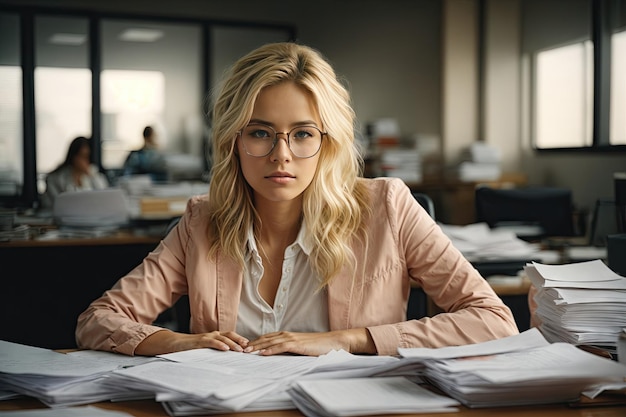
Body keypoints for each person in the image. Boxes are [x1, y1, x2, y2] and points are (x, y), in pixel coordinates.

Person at [76, 42, 518, 357]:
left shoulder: (388, 207)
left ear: (328, 142)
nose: (281, 154)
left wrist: (349, 339)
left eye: (303, 133)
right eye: (260, 133)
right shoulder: (202, 221)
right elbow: (98, 320)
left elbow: (493, 320)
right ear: (234, 140)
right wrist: (178, 342)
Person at [40, 136, 109, 208]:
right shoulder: (56, 178)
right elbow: (57, 203)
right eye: (81, 156)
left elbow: (104, 196)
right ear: (73, 156)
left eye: (86, 157)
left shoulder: (94, 175)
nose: (83, 161)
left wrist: (91, 174)